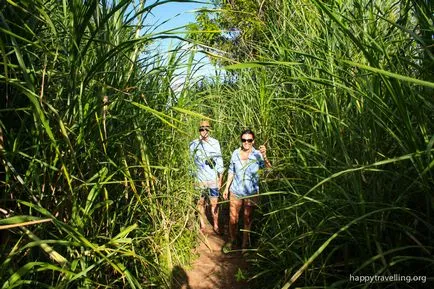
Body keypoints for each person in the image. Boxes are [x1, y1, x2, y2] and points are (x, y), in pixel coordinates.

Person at [222, 129, 271, 253]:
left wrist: (265, 156)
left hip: (251, 192)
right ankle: (232, 240)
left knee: (247, 218)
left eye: (249, 140)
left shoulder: (257, 154)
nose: (246, 142)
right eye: (244, 140)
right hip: (236, 191)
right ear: (241, 140)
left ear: (253, 141)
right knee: (233, 218)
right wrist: (226, 188)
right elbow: (231, 171)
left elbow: (269, 170)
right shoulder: (235, 153)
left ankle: (244, 245)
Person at [189, 120, 224, 234]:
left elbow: (219, 160)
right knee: (200, 202)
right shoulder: (193, 144)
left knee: (214, 202)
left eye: (206, 128)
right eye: (202, 128)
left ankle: (216, 225)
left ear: (210, 129)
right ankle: (202, 224)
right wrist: (191, 178)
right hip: (199, 178)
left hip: (212, 178)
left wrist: (220, 178)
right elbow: (191, 162)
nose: (204, 131)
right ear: (198, 130)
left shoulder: (215, 143)